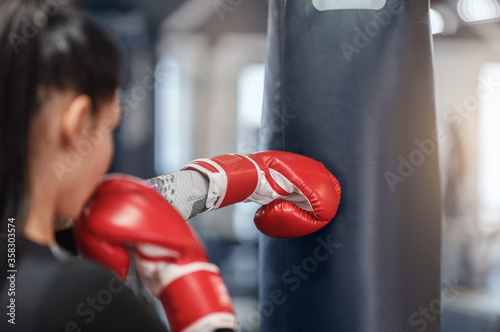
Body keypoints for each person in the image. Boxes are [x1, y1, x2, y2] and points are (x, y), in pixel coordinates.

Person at [0, 0, 341, 331]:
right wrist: (201, 300)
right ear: (76, 125)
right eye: (109, 127)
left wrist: (218, 183)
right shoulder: (77, 296)